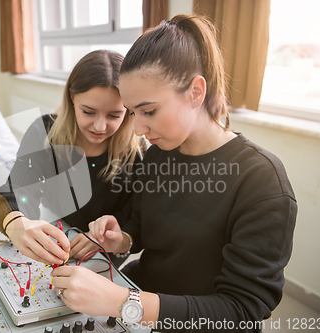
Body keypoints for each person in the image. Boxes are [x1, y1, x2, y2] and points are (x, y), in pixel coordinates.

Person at [44, 15, 297, 332]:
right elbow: (141, 224)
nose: (138, 128)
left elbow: (242, 310)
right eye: (133, 113)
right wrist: (120, 238)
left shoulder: (261, 180)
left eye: (149, 111)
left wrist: (123, 302)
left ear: (195, 92)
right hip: (143, 302)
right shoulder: (157, 155)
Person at [0, 50, 143, 263]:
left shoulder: (136, 150)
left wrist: (107, 238)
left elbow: (137, 221)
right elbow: (14, 191)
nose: (100, 127)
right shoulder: (45, 131)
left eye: (114, 115)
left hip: (104, 258)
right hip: (59, 235)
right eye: (88, 112)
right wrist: (16, 223)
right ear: (72, 97)